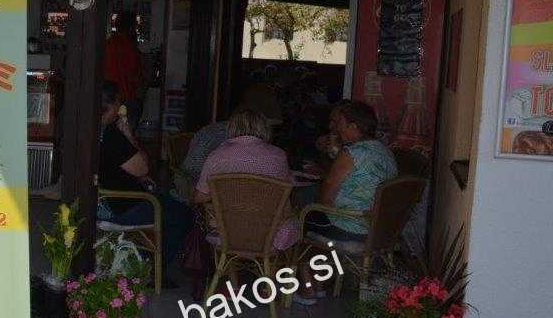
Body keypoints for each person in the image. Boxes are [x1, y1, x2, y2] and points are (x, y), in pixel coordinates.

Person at [298, 101, 398, 304]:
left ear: (354, 126)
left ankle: (308, 287)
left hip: (349, 228)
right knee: (314, 217)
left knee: (298, 218)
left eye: (340, 123)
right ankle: (320, 282)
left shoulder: (352, 154)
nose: (337, 128)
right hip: (377, 231)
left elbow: (325, 198)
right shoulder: (385, 152)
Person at [98, 81, 190, 286]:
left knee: (164, 200)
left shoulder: (91, 129)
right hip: (121, 206)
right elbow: (142, 168)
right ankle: (151, 270)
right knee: (182, 214)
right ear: (112, 105)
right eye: (119, 101)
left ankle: (141, 258)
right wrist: (129, 135)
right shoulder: (112, 135)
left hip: (104, 201)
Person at [191, 107, 297, 251]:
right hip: (270, 237)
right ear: (264, 128)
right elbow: (287, 189)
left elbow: (199, 197)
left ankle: (225, 263)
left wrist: (224, 190)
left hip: (228, 234)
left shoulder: (217, 156)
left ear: (231, 127)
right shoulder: (279, 155)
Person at [103, 12, 143, 128]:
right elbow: (138, 75)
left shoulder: (108, 44)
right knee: (126, 133)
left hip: (109, 100)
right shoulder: (131, 48)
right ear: (131, 28)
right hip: (127, 99)